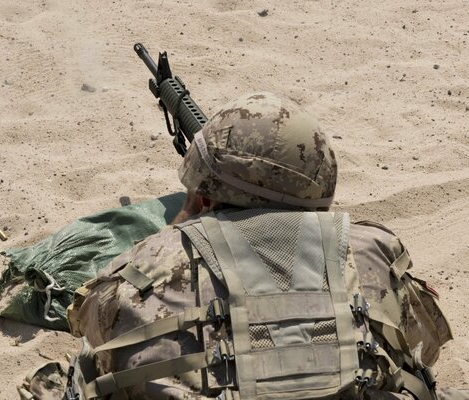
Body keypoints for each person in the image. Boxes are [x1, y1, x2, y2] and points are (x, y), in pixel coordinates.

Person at [63, 92, 463, 399]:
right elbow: (424, 349)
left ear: (203, 196)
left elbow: (92, 330)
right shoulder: (373, 251)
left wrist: (179, 228)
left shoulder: (146, 265)